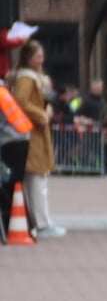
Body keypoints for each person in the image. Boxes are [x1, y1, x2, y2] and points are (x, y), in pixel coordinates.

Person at [9, 41, 60, 237]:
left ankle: (37, 221)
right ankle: (42, 222)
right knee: (38, 177)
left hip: (34, 131)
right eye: (38, 56)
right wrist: (41, 114)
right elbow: (21, 102)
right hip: (32, 132)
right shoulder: (27, 78)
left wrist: (46, 109)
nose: (42, 60)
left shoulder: (31, 77)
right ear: (29, 59)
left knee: (35, 178)